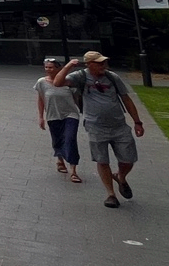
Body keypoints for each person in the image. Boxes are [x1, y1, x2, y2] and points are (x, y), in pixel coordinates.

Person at [53, 51, 145, 208]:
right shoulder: (80, 76)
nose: (104, 65)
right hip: (95, 126)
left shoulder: (112, 77)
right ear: (89, 64)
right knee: (102, 160)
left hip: (119, 125)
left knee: (128, 159)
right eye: (99, 63)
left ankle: (120, 177)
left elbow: (126, 99)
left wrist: (137, 122)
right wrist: (68, 66)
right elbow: (57, 82)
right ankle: (111, 194)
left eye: (104, 62)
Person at [34, 57, 82, 183]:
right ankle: (60, 160)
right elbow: (40, 99)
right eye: (46, 67)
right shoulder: (41, 82)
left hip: (71, 114)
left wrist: (83, 111)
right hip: (53, 115)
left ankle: (73, 170)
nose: (48, 70)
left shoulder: (68, 82)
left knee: (70, 139)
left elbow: (77, 98)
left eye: (51, 67)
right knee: (57, 139)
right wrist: (40, 117)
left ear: (58, 68)